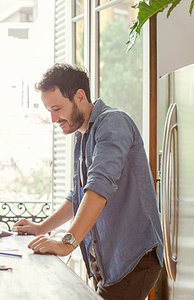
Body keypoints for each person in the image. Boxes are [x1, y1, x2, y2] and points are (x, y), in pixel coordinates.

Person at [13, 63, 163, 300]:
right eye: (49, 110)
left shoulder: (113, 123)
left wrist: (67, 242)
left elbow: (98, 186)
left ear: (80, 96)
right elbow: (78, 196)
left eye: (57, 108)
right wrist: (42, 228)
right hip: (109, 260)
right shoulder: (84, 137)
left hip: (133, 258)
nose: (53, 118)